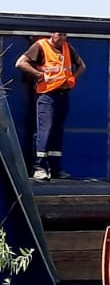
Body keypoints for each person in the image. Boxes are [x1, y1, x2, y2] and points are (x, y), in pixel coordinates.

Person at [14, 32, 86, 181]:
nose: (63, 39)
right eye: (60, 35)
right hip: (47, 94)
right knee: (44, 130)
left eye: (65, 35)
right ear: (52, 35)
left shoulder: (67, 48)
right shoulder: (41, 46)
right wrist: (39, 75)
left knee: (57, 131)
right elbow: (20, 62)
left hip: (62, 94)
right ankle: (39, 167)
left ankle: (55, 167)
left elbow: (82, 65)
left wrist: (72, 78)